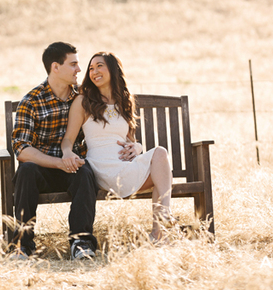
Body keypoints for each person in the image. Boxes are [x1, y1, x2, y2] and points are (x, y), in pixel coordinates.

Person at [61, 52, 175, 244]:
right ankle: (164, 217)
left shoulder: (124, 101)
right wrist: (66, 153)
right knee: (162, 171)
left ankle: (158, 234)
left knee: (161, 159)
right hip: (101, 168)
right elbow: (68, 139)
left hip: (125, 166)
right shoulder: (83, 102)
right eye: (91, 68)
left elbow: (130, 140)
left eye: (99, 66)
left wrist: (137, 147)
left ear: (113, 70)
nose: (94, 72)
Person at [10, 42, 99, 260]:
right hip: (42, 171)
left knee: (85, 172)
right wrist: (58, 162)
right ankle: (22, 245)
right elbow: (21, 148)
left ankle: (81, 242)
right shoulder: (31, 101)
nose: (79, 69)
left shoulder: (83, 97)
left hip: (74, 168)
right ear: (55, 67)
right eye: (73, 64)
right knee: (26, 171)